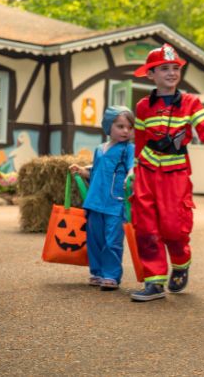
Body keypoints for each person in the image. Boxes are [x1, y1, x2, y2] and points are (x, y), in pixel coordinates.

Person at [129, 43, 204, 302]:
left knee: (174, 228)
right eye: (164, 69)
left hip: (176, 174)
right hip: (147, 172)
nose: (171, 73)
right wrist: (133, 169)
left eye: (175, 68)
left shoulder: (191, 103)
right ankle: (154, 282)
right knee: (146, 228)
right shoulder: (142, 107)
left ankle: (181, 262)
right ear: (151, 74)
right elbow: (139, 141)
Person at [69, 106, 135, 291]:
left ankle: (111, 275)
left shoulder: (129, 149)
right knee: (94, 239)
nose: (125, 131)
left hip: (116, 203)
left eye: (129, 127)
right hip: (95, 202)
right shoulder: (99, 149)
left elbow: (133, 167)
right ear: (108, 126)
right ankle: (97, 272)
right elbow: (96, 172)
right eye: (120, 126)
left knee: (112, 241)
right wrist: (82, 171)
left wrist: (131, 176)